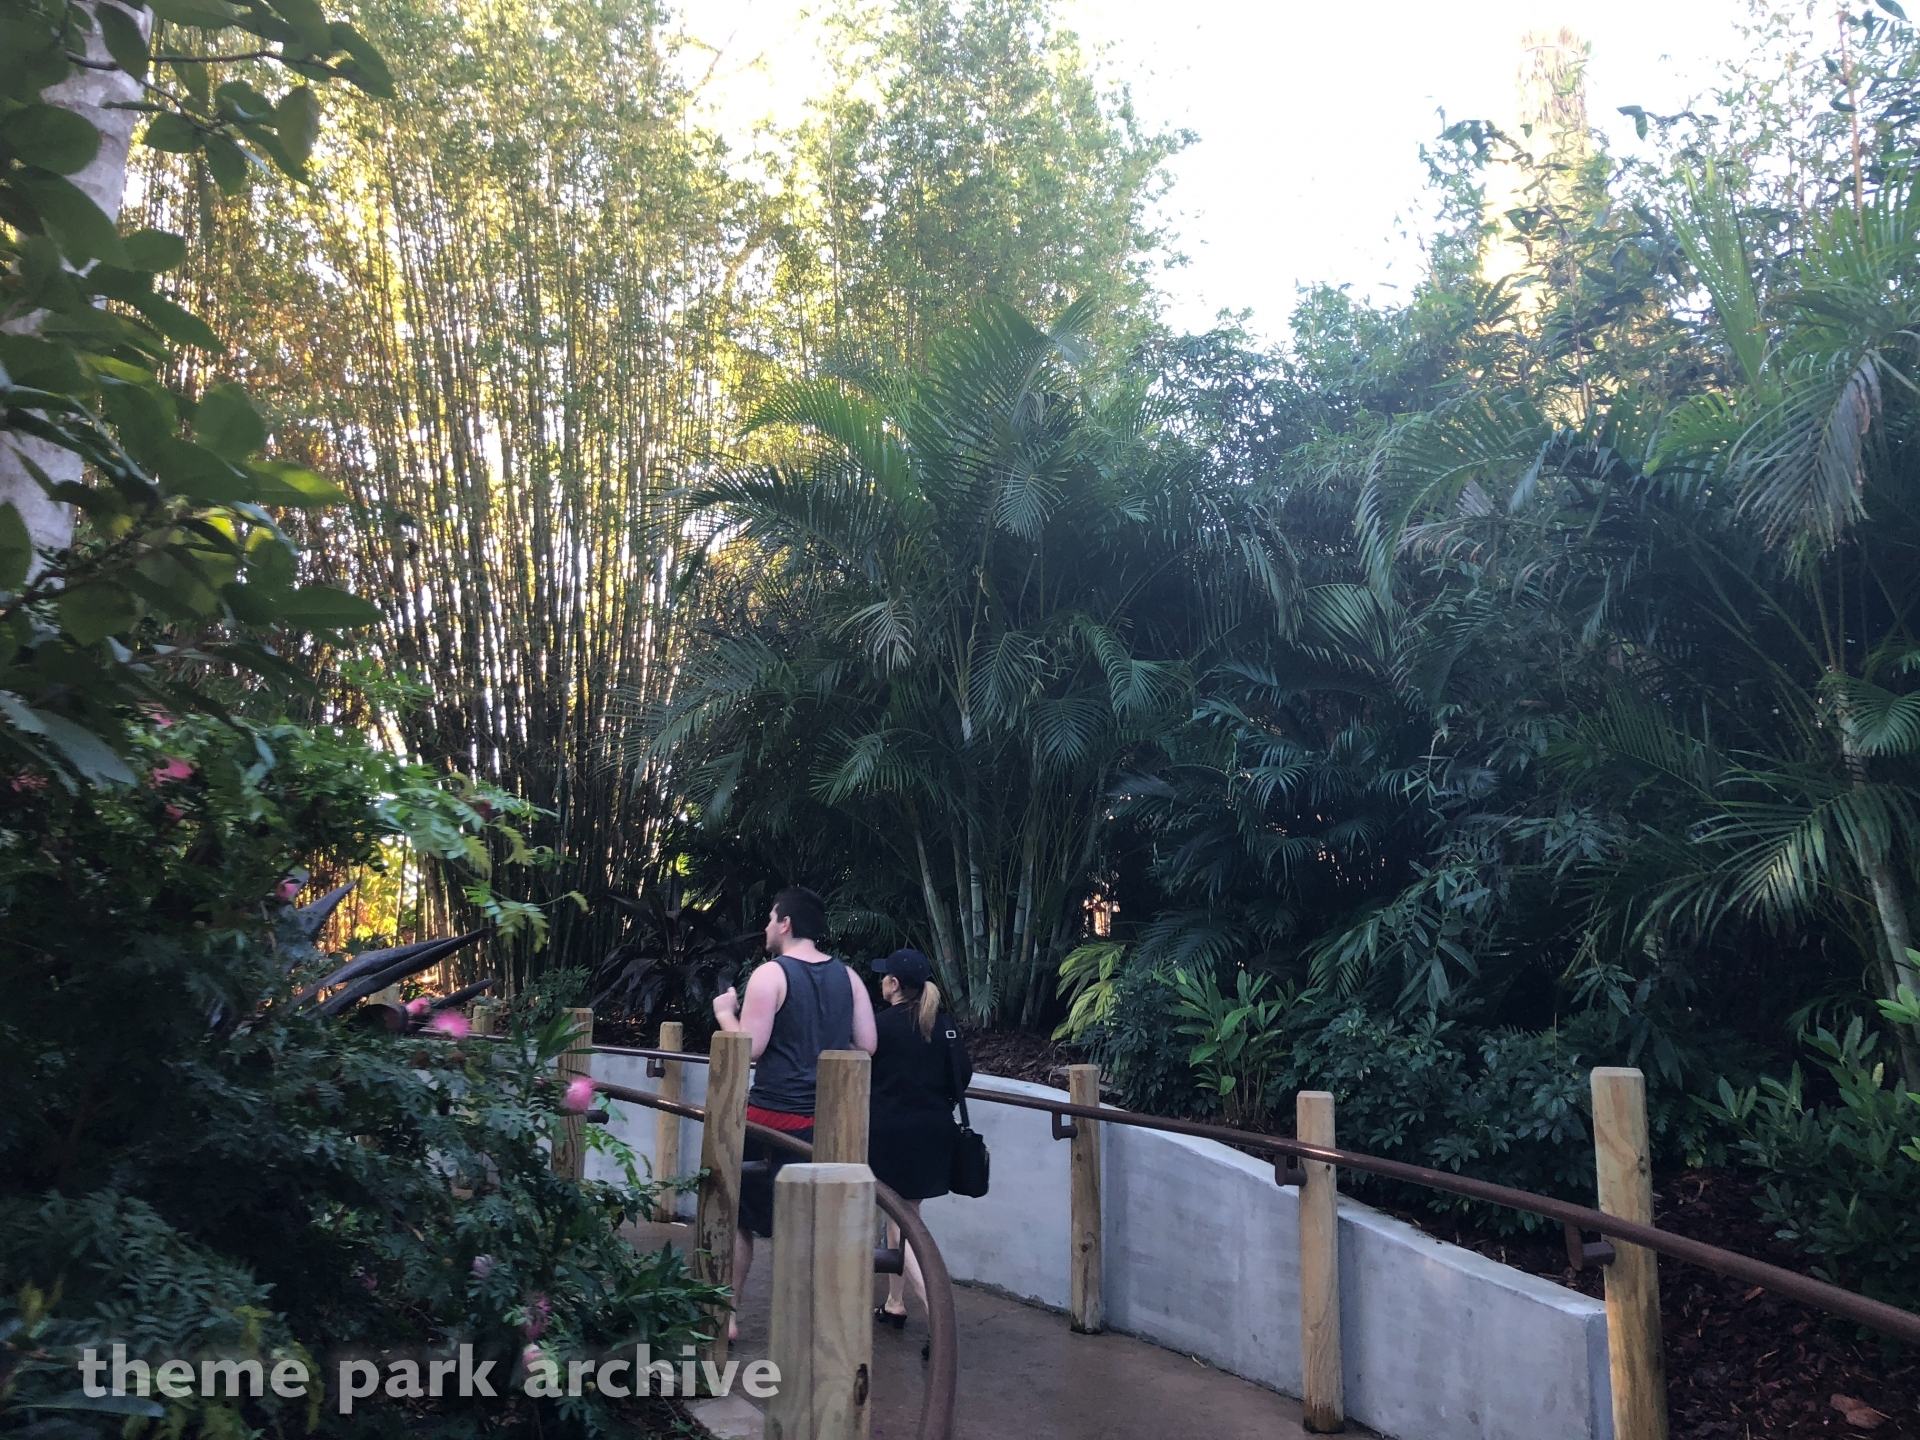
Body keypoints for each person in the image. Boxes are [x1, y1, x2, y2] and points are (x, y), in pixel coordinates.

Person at [710, 886, 877, 1339]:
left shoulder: (770, 975)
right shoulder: (849, 977)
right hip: (824, 1122)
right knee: (809, 1224)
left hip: (771, 1118)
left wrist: (725, 1013)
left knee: (741, 1221)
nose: (766, 926)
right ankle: (811, 1326)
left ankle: (728, 1315)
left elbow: (749, 1048)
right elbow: (867, 1044)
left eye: (770, 918)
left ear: (785, 923)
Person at [866, 947, 971, 1331]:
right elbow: (962, 1074)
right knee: (904, 1216)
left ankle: (939, 1317)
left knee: (902, 1221)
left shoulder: (879, 1026)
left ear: (894, 984)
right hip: (933, 1133)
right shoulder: (942, 1025)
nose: (881, 981)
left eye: (885, 976)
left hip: (891, 1136)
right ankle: (895, 1302)